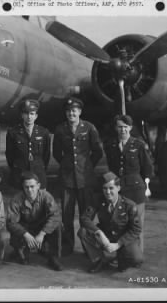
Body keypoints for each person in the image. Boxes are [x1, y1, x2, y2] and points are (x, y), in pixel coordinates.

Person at [52, 97, 103, 253]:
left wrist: (87, 166)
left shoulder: (89, 127)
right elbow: (56, 153)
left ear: (79, 111)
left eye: (74, 110)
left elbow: (97, 151)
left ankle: (88, 247)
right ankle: (67, 247)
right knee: (67, 215)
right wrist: (67, 165)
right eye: (68, 111)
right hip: (67, 179)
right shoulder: (60, 129)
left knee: (85, 216)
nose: (71, 113)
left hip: (85, 179)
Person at [103, 115, 153, 252]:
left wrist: (146, 187)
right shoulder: (111, 145)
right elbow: (111, 168)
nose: (123, 130)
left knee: (137, 224)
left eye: (125, 127)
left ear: (130, 128)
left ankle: (137, 254)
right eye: (120, 127)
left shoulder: (138, 145)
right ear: (115, 128)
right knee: (119, 223)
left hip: (136, 189)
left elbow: (147, 169)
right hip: (119, 191)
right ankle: (121, 253)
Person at [78, 172, 143, 273]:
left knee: (136, 259)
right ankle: (99, 260)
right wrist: (99, 232)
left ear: (118, 188)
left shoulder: (129, 205)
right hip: (106, 234)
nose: (107, 192)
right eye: (104, 188)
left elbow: (136, 229)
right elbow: (85, 218)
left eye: (111, 188)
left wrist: (118, 244)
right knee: (83, 232)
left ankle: (120, 256)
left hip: (123, 237)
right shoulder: (97, 200)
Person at [7, 171, 63, 271]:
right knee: (24, 260)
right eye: (26, 187)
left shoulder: (46, 196)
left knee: (57, 225)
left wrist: (42, 233)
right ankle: (19, 250)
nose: (29, 190)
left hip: (41, 227)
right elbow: (11, 222)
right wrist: (25, 234)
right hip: (25, 228)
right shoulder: (16, 199)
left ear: (38, 186)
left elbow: (55, 215)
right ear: (23, 187)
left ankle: (53, 257)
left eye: (32, 186)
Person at [6, 99, 50, 189]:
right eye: (26, 113)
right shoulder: (13, 132)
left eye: (32, 114)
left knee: (40, 200)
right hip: (20, 174)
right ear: (22, 115)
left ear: (36, 116)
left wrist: (40, 167)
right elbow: (10, 155)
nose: (29, 117)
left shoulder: (43, 132)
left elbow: (46, 155)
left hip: (38, 174)